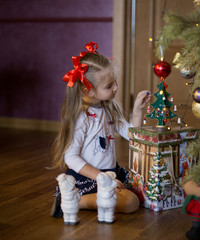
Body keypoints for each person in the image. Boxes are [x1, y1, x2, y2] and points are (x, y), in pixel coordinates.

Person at [51, 41, 150, 218]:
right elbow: (71, 157)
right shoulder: (83, 117)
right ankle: (76, 200)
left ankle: (85, 199)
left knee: (141, 196)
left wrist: (137, 110)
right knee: (130, 202)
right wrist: (100, 177)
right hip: (89, 178)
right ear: (87, 90)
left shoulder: (109, 110)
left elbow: (133, 136)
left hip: (109, 173)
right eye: (109, 86)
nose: (116, 88)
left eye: (115, 82)